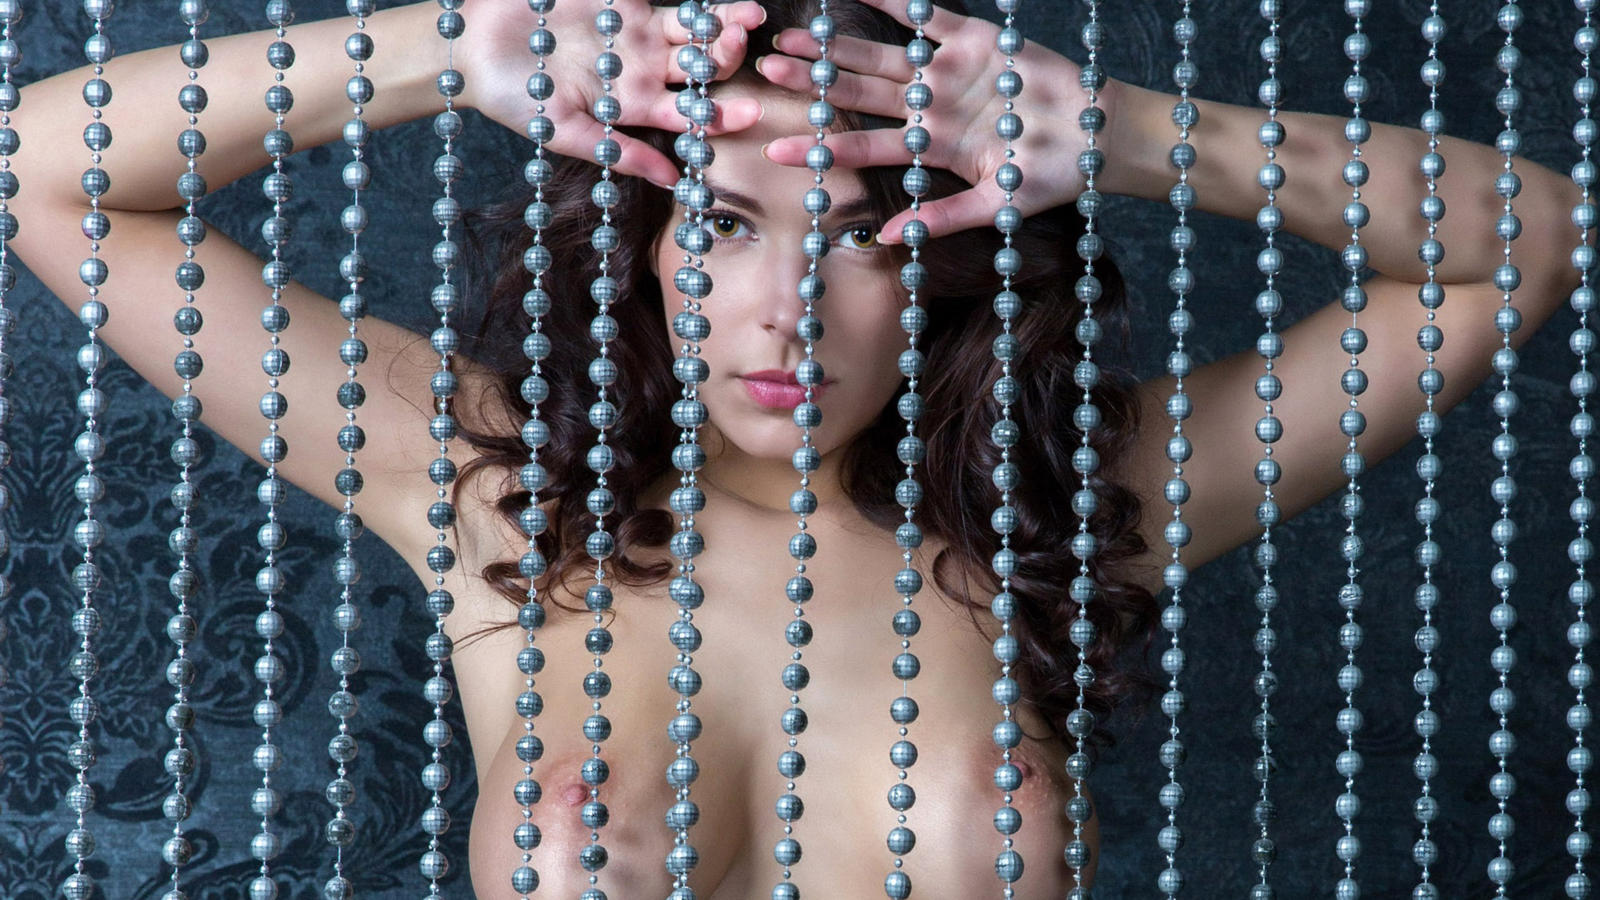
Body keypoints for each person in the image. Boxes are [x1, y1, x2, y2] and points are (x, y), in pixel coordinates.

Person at [7, 0, 1579, 896]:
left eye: (861, 237)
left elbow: (1526, 242)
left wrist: (1131, 136)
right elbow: (42, 170)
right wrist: (463, 43)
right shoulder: (492, 486)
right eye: (725, 228)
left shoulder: (1063, 506)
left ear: (953, 255)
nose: (787, 311)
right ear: (638, 253)